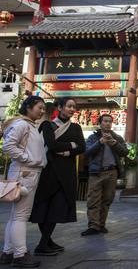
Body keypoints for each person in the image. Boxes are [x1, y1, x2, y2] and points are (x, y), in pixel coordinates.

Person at [30, 97, 86, 255]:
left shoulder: (76, 127)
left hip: (67, 173)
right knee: (44, 207)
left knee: (57, 207)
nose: (71, 109)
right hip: (49, 171)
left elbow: (82, 147)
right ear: (60, 107)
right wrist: (71, 146)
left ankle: (46, 241)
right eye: (68, 106)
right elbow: (52, 146)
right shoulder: (47, 125)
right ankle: (44, 243)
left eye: (73, 106)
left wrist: (65, 150)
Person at [1, 96, 46, 268]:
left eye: (43, 109)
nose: (42, 111)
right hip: (25, 172)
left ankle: (8, 252)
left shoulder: (27, 124)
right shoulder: (22, 125)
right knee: (21, 216)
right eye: (39, 108)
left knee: (15, 215)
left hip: (26, 172)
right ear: (28, 107)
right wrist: (27, 158)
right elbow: (8, 146)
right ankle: (20, 254)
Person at [82, 114, 128, 236]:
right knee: (93, 200)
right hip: (96, 172)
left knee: (107, 199)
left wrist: (114, 143)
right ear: (100, 123)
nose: (107, 123)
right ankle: (93, 225)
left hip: (112, 172)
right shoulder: (93, 137)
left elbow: (125, 152)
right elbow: (87, 152)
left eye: (110, 121)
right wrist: (100, 142)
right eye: (105, 121)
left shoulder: (117, 137)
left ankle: (101, 224)